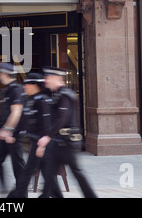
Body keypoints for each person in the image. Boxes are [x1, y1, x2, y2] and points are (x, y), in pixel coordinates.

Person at [38, 66, 97, 198]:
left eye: (48, 78)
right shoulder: (58, 95)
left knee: (76, 173)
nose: (45, 81)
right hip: (58, 143)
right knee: (49, 176)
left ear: (56, 78)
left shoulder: (66, 96)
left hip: (68, 143)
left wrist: (47, 137)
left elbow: (61, 119)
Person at [7, 73, 52, 198]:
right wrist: (13, 134)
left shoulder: (42, 101)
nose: (25, 87)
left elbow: (47, 125)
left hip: (41, 143)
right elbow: (24, 121)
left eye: (27, 84)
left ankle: (15, 196)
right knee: (47, 175)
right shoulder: (30, 100)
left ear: (35, 85)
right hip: (36, 142)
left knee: (28, 172)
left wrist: (42, 144)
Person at [0, 62, 25, 193]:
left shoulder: (15, 90)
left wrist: (8, 130)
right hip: (6, 133)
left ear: (6, 74)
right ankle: (4, 189)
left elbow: (16, 112)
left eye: (1, 73)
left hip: (13, 134)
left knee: (17, 164)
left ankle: (22, 193)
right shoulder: (7, 90)